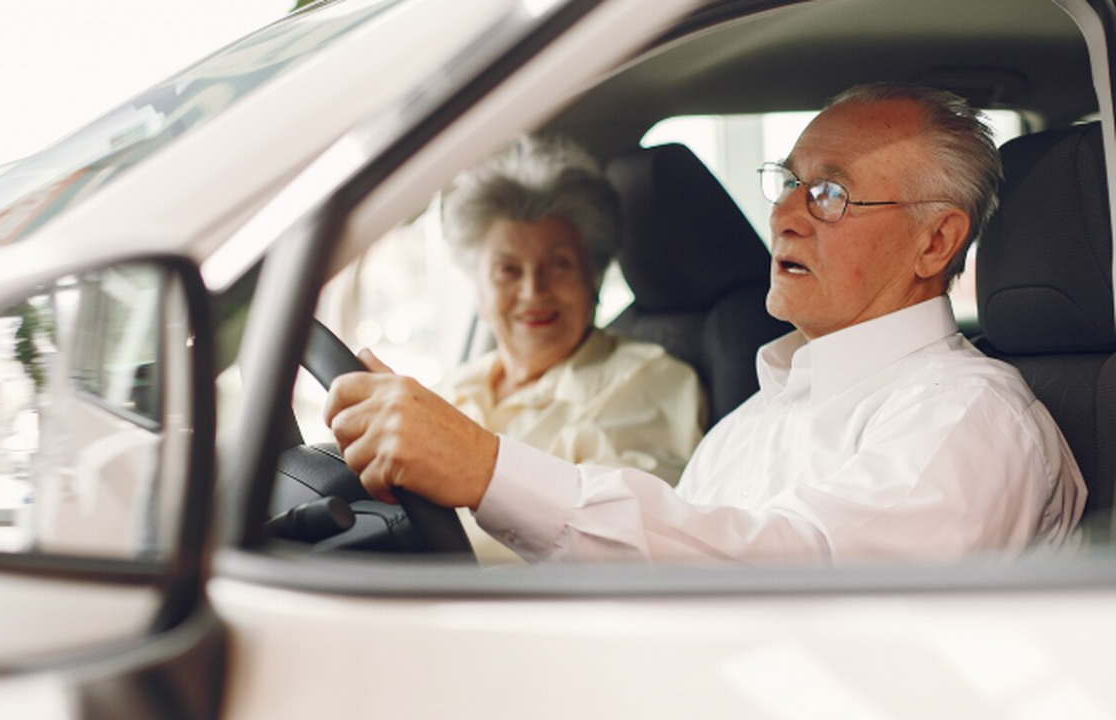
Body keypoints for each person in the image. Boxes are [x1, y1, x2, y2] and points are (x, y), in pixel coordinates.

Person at [326, 83, 1087, 564]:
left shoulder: (970, 417)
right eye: (788, 182)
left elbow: (801, 578)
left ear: (936, 241)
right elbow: (660, 576)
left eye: (829, 194)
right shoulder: (751, 423)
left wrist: (487, 470)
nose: (785, 214)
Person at [434, 135, 706, 562]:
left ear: (593, 280)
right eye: (508, 269)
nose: (532, 290)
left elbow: (622, 545)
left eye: (558, 264)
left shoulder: (647, 382)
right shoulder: (456, 387)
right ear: (479, 291)